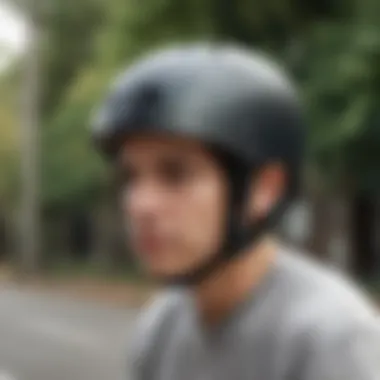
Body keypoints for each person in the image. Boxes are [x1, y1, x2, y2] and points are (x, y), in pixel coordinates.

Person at [91, 43, 380, 380]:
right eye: (130, 176)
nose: (140, 204)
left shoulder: (329, 340)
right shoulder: (160, 329)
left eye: (175, 174)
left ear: (264, 189)